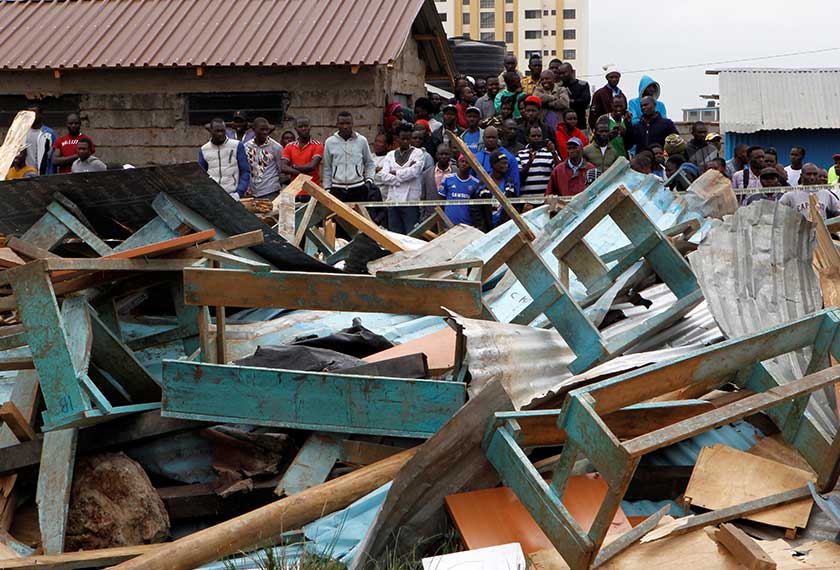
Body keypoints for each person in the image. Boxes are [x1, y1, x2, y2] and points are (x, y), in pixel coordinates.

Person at [378, 123, 424, 234]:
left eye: (408, 139)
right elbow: (383, 176)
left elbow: (414, 171)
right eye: (403, 139)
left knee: (412, 234)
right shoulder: (390, 155)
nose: (406, 142)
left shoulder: (418, 153)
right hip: (393, 201)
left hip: (410, 201)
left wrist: (395, 173)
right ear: (397, 139)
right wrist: (402, 177)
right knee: (395, 234)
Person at [321, 111, 376, 203]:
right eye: (342, 123)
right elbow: (327, 167)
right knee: (337, 217)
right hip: (337, 188)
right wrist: (327, 188)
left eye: (348, 123)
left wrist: (369, 181)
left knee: (358, 217)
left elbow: (369, 163)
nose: (345, 126)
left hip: (358, 187)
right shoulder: (330, 142)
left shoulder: (362, 141)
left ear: (352, 124)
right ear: (337, 124)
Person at [199, 117, 250, 199]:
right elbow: (201, 175)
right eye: (217, 131)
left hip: (233, 195)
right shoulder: (204, 149)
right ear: (211, 131)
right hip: (213, 195)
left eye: (222, 131)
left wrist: (239, 192)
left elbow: (245, 171)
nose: (220, 134)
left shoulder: (236, 146)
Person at [281, 117, 324, 199]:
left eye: (306, 126)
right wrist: (301, 174)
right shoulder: (289, 146)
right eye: (300, 126)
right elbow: (283, 167)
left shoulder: (317, 145)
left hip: (312, 191)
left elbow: (311, 166)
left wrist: (293, 167)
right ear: (295, 128)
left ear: (310, 127)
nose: (304, 129)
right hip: (294, 191)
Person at [438, 154, 483, 228]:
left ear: (471, 165)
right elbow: (440, 202)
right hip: (449, 224)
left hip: (467, 226)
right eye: (462, 161)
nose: (464, 164)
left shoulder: (476, 183)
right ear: (458, 163)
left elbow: (476, 208)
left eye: (467, 162)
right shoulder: (447, 179)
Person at [243, 117, 284, 200]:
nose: (265, 132)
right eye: (262, 129)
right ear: (254, 129)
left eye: (267, 130)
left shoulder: (276, 147)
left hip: (271, 191)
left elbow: (281, 169)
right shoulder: (246, 146)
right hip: (253, 192)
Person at [475, 126, 520, 195]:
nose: (491, 140)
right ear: (483, 138)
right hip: (481, 198)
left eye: (493, 137)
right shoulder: (476, 157)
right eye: (488, 137)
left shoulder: (509, 157)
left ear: (498, 138)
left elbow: (515, 180)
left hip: (505, 196)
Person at [518, 125, 560, 197]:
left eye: (539, 136)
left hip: (546, 199)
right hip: (526, 201)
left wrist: (553, 153)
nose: (536, 138)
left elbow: (559, 171)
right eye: (533, 136)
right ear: (527, 138)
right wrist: (530, 162)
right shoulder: (520, 154)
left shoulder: (550, 153)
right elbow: (519, 177)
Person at [558, 63, 591, 131]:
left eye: (564, 73)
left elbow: (585, 101)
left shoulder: (582, 85)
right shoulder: (558, 87)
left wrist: (567, 101)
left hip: (580, 125)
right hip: (563, 127)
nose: (562, 75)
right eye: (560, 73)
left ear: (572, 72)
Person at [25, 104, 57, 176]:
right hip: (26, 174)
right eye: (29, 114)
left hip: (44, 175)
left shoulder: (50, 133)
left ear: (41, 115)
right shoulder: (23, 133)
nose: (31, 117)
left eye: (34, 114)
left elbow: (52, 156)